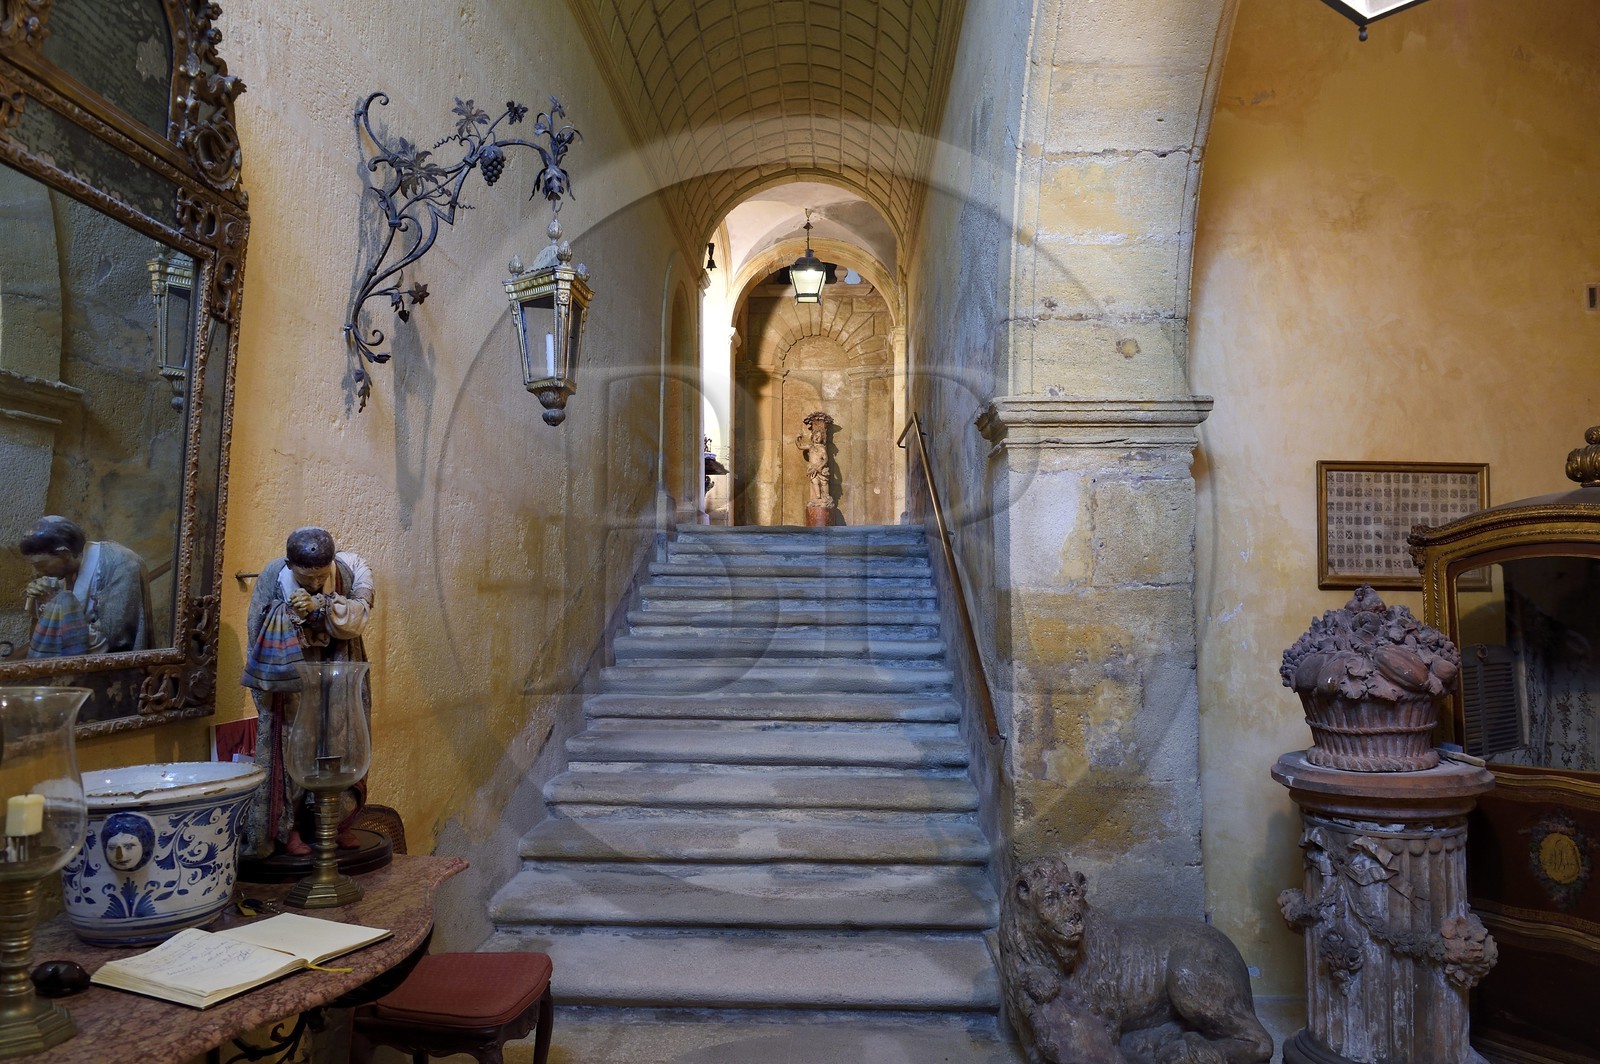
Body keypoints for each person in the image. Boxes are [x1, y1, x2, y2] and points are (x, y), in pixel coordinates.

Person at [241, 527, 374, 858]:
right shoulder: (274, 575)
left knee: (339, 740)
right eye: (306, 578)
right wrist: (290, 614)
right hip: (293, 676)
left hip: (336, 671)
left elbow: (357, 615)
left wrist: (321, 608)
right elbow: (257, 628)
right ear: (290, 564)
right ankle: (290, 828)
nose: (314, 583)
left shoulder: (344, 573)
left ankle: (332, 822)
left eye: (320, 577)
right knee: (294, 744)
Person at [19, 516, 153, 656]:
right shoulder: (65, 569)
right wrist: (44, 599)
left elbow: (117, 639)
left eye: (41, 565)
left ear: (64, 554)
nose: (39, 572)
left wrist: (52, 602)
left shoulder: (120, 564)